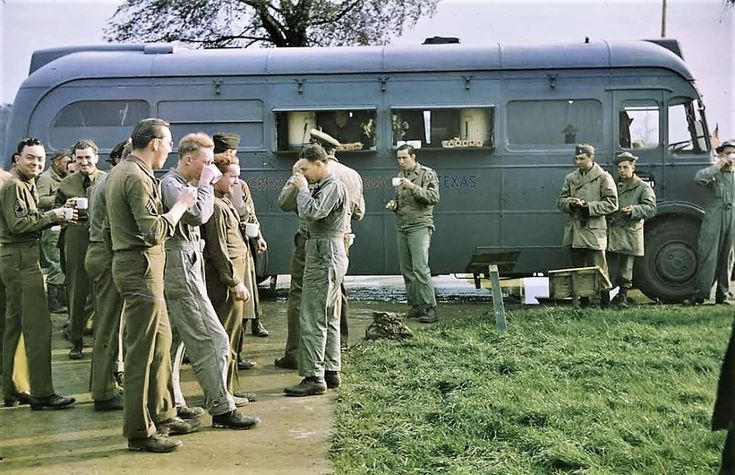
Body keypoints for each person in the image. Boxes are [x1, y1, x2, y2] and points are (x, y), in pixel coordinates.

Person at [106, 118, 199, 453]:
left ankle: (162, 412)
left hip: (140, 266)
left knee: (161, 341)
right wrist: (181, 206)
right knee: (141, 352)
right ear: (156, 143)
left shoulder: (124, 172)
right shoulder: (135, 177)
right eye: (169, 142)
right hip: (141, 267)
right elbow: (153, 231)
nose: (171, 149)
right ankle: (139, 430)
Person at [161, 133, 260, 428]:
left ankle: (174, 401)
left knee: (177, 342)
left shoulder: (185, 184)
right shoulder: (172, 184)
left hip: (188, 265)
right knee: (214, 339)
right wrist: (206, 183)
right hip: (180, 267)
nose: (209, 168)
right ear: (188, 159)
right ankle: (221, 409)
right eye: (205, 162)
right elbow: (198, 216)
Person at [0, 137, 76, 410]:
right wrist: (55, 216)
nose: (36, 163)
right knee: (39, 328)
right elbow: (19, 224)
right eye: (30, 157)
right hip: (22, 260)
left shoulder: (22, 185)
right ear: (16, 160)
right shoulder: (16, 186)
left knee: (13, 327)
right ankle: (43, 394)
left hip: (14, 260)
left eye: (40, 159)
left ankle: (12, 388)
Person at [283, 144, 349, 397]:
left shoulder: (331, 186)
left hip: (324, 253)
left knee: (312, 316)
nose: (304, 174)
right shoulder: (323, 186)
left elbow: (313, 212)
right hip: (326, 252)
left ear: (319, 164)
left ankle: (313, 376)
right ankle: (331, 371)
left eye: (306, 169)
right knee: (329, 315)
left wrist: (301, 190)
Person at [202, 151, 258, 403]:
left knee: (233, 336)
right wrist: (234, 280)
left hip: (234, 274)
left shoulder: (223, 202)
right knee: (225, 336)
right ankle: (222, 392)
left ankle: (229, 389)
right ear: (217, 177)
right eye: (232, 177)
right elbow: (218, 249)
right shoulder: (215, 206)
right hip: (226, 281)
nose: (236, 182)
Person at [212, 133, 268, 370]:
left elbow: (250, 212)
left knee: (246, 301)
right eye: (227, 152)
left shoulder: (240, 185)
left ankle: (239, 352)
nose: (231, 156)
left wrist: (258, 237)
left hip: (243, 243)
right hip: (227, 251)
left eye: (233, 152)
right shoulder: (214, 187)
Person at [309, 129, 365, 347]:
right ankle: (341, 339)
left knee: (315, 293)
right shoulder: (353, 174)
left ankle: (320, 342)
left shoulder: (314, 172)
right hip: (343, 237)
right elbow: (359, 213)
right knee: (338, 288)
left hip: (318, 237)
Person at [85, 139, 127, 411]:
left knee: (108, 324)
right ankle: (103, 391)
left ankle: (105, 383)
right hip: (106, 252)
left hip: (98, 251)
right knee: (108, 326)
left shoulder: (107, 180)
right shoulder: (115, 181)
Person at [56, 139, 105, 359]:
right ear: (74, 160)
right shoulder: (67, 183)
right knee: (76, 290)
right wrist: (64, 209)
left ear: (96, 157)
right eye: (79, 158)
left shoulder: (107, 179)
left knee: (102, 292)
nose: (84, 162)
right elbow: (56, 210)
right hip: (75, 236)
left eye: (87, 157)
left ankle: (102, 342)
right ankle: (75, 340)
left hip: (101, 237)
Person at [557, 144, 618, 306]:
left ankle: (605, 301)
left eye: (582, 158)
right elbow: (560, 201)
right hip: (575, 230)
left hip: (593, 229)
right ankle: (584, 301)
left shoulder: (604, 177)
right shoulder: (571, 178)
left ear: (591, 158)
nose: (578, 162)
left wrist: (587, 206)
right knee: (579, 268)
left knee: (599, 267)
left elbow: (612, 203)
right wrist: (570, 203)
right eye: (576, 158)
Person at [385, 144, 440, 323]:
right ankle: (416, 306)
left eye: (404, 158)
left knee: (420, 268)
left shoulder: (426, 174)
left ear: (413, 157)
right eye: (399, 158)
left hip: (420, 226)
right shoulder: (401, 176)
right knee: (407, 270)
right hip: (403, 226)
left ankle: (430, 308)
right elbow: (401, 200)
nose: (401, 161)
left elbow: (433, 197)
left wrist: (413, 187)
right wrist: (394, 205)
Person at [605, 152, 657, 308]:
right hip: (612, 231)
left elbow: (651, 208)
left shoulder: (642, 187)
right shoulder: (612, 185)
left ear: (633, 167)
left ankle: (623, 297)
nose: (622, 170)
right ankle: (605, 297)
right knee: (609, 267)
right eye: (619, 167)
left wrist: (634, 210)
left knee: (626, 269)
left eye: (625, 167)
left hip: (629, 231)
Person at [0, 156, 31, 407]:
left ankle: (12, 385)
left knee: (11, 322)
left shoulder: (6, 180)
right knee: (13, 323)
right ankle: (13, 385)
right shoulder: (9, 182)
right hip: (10, 257)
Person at [691, 139, 735, 305]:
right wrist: (718, 166)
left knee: (728, 256)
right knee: (708, 254)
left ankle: (722, 294)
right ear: (721, 155)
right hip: (714, 217)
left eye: (733, 152)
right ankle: (700, 293)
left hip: (732, 217)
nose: (731, 156)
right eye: (727, 152)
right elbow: (698, 179)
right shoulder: (714, 172)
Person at [37, 149, 71, 313]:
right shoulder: (45, 178)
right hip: (51, 227)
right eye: (66, 161)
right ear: (56, 161)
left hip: (61, 225)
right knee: (54, 263)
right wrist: (60, 198)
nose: (69, 164)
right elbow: (40, 199)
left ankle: (62, 299)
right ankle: (54, 302)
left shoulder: (65, 177)